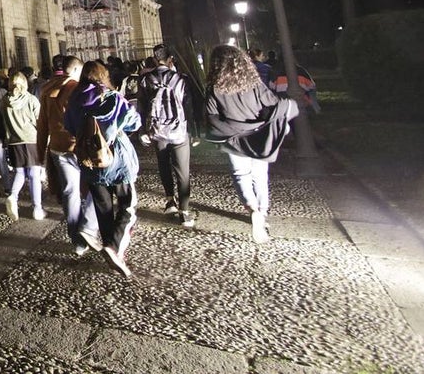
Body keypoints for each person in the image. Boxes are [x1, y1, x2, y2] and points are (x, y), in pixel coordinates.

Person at [205, 45, 298, 244]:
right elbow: (272, 104)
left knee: (241, 175)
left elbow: (211, 115)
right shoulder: (254, 84)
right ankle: (262, 211)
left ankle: (251, 208)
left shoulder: (214, 87)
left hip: (233, 139)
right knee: (260, 176)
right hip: (258, 136)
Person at [64, 61, 141, 278]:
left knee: (103, 209)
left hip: (90, 161)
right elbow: (133, 122)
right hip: (116, 160)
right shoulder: (112, 97)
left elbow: (69, 126)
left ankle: (112, 251)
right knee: (128, 205)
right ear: (102, 76)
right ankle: (113, 247)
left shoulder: (74, 100)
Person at [38, 55, 100, 254]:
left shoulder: (46, 90)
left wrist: (40, 155)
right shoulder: (76, 88)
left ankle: (77, 242)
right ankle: (88, 226)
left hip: (57, 147)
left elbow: (42, 125)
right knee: (98, 186)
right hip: (77, 146)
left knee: (70, 192)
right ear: (75, 71)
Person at [137, 46, 195, 228]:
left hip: (158, 130)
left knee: (163, 164)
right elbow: (188, 106)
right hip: (179, 130)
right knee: (182, 170)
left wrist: (142, 131)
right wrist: (193, 130)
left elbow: (141, 106)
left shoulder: (146, 79)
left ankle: (170, 200)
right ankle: (184, 211)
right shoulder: (180, 79)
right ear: (171, 59)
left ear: (154, 60)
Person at [1, 72, 45, 221]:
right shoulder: (31, 99)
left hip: (14, 141)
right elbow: (40, 121)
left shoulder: (4, 101)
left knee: (20, 173)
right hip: (32, 140)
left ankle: (13, 197)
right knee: (34, 175)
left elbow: (4, 123)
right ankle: (37, 208)